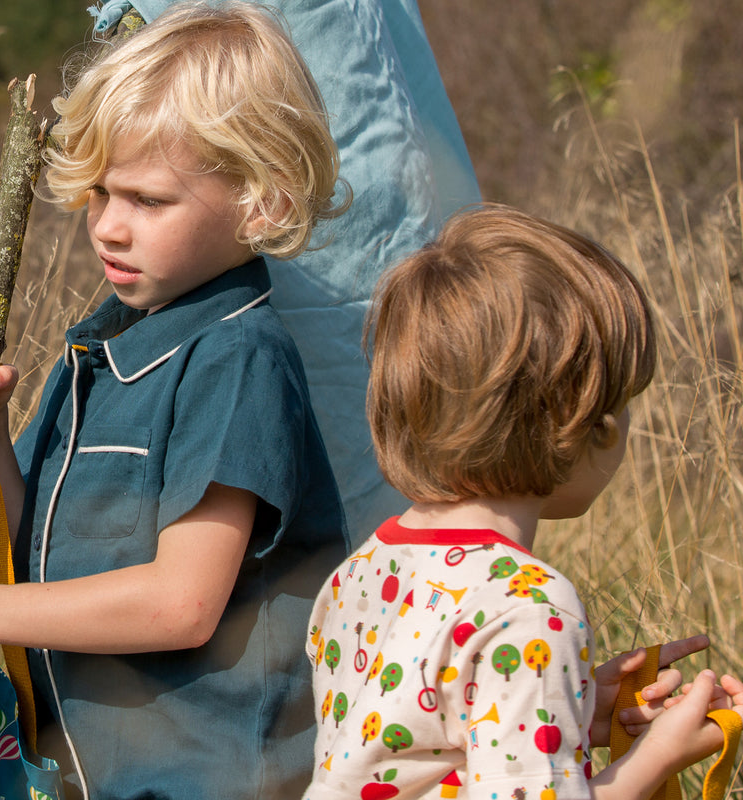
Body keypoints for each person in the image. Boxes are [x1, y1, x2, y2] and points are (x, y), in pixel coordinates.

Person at [0, 1, 351, 800]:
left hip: (203, 782)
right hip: (86, 776)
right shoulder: (102, 348)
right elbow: (36, 540)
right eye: (99, 193)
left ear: (263, 200)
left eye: (149, 201)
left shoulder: (237, 360)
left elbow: (182, 605)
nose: (109, 229)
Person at [303, 205, 743, 800]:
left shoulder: (361, 572)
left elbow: (410, 755)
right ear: (590, 424)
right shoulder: (530, 609)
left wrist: (575, 705)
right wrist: (659, 758)